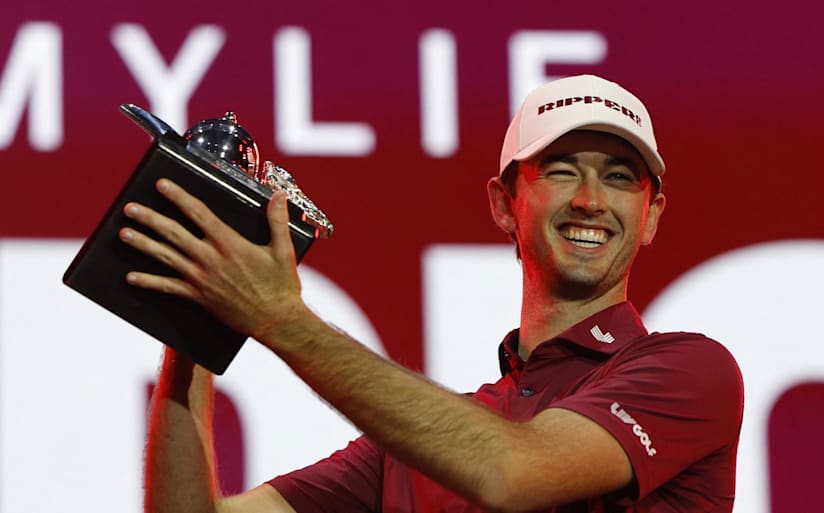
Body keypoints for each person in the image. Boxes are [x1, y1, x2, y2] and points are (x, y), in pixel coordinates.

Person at [121, 74, 743, 512]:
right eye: (560, 170)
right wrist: (195, 319)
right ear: (505, 204)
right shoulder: (420, 445)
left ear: (652, 214)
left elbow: (510, 473)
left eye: (618, 178)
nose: (589, 200)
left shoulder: (689, 372)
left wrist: (279, 316)